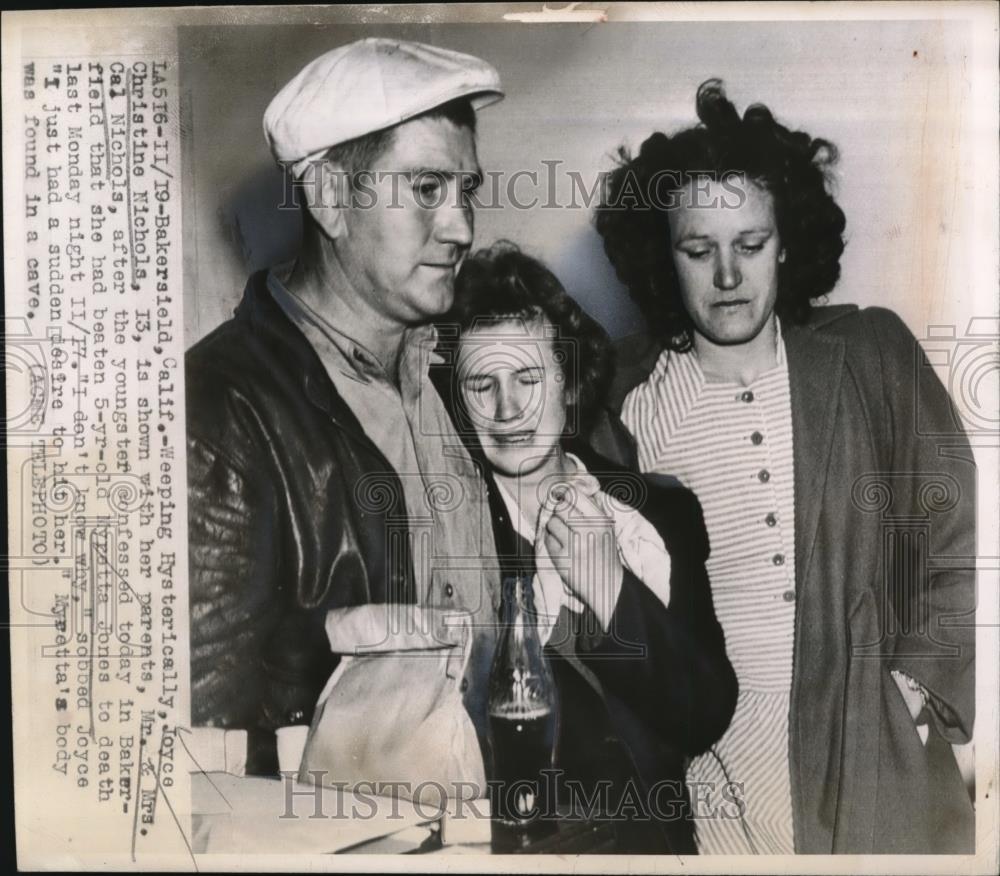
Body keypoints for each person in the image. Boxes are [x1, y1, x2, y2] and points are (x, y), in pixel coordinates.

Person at [594, 80, 976, 854]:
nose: (728, 276)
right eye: (698, 251)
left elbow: (959, 533)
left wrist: (912, 687)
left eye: (751, 244)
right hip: (709, 760)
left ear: (789, 242)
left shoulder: (870, 354)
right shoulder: (623, 401)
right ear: (663, 259)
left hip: (865, 738)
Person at [185, 38, 506, 776]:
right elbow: (203, 747)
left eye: (466, 192)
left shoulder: (463, 373)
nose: (461, 227)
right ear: (330, 198)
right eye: (426, 189)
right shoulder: (215, 410)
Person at [436, 242, 738, 853]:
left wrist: (610, 590)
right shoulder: (448, 534)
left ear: (569, 384)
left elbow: (703, 715)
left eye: (527, 378)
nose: (508, 409)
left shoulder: (659, 511)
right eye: (481, 384)